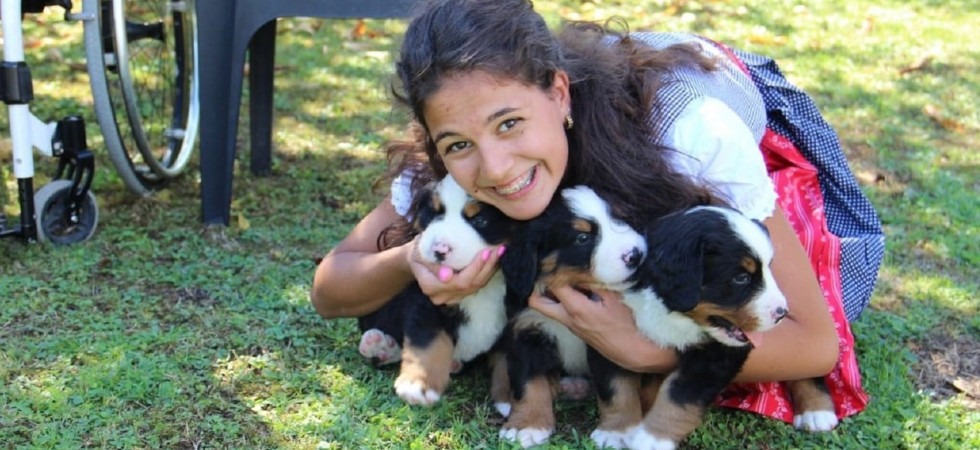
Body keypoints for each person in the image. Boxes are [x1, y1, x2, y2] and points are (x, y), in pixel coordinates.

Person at [311, 0, 884, 425]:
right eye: (458, 143)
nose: (495, 167)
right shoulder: (451, 155)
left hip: (705, 100)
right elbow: (330, 290)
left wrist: (645, 350)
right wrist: (410, 257)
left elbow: (814, 344)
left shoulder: (693, 135)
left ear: (559, 94)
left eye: (510, 123)